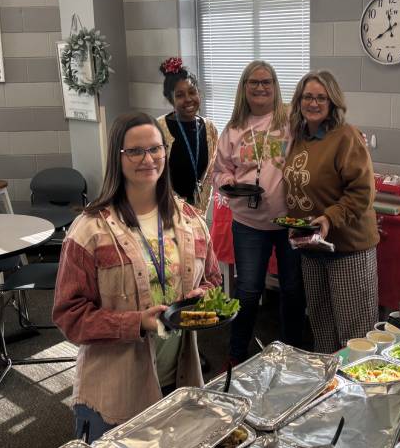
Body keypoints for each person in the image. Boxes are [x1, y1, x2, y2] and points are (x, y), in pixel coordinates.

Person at [53, 111, 222, 441]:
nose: (148, 159)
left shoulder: (190, 220)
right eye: (135, 151)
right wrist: (135, 323)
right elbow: (69, 316)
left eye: (156, 149)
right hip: (116, 393)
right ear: (118, 157)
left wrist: (202, 296)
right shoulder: (90, 230)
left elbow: (213, 280)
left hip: (179, 379)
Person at [212, 60, 306, 363]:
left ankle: (292, 353)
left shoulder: (290, 120)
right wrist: (228, 182)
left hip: (288, 221)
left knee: (292, 291)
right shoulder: (233, 128)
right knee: (249, 291)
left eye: (267, 82)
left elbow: (323, 129)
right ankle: (236, 354)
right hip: (249, 223)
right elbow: (219, 172)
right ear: (245, 88)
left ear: (276, 87)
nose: (261, 87)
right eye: (254, 82)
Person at [282, 70, 380, 353]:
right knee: (322, 328)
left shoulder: (346, 136)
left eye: (321, 98)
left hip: (347, 249)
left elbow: (363, 192)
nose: (313, 103)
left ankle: (361, 393)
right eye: (308, 97)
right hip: (312, 248)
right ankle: (330, 391)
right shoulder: (301, 137)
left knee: (354, 336)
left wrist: (329, 218)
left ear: (333, 102)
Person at [155, 57, 219, 215]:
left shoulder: (210, 128)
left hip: (198, 212)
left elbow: (212, 171)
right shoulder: (158, 128)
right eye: (180, 95)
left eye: (192, 92)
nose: (188, 99)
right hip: (166, 211)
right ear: (171, 99)